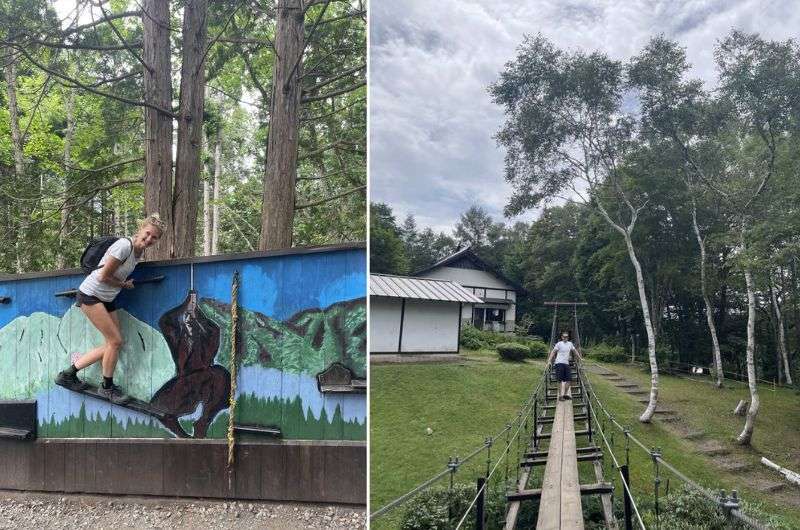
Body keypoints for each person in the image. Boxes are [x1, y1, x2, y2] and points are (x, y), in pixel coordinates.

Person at [55, 214, 166, 404]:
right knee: (115, 341)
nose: (149, 239)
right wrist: (125, 285)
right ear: (140, 229)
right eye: (147, 234)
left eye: (154, 238)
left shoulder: (139, 253)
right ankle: (106, 388)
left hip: (107, 298)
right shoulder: (124, 246)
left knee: (113, 344)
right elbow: (103, 276)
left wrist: (121, 285)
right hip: (91, 295)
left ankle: (68, 374)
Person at [546, 331, 582, 400]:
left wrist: (580, 358)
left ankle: (565, 394)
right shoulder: (559, 344)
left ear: (568, 337)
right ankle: (560, 396)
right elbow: (553, 352)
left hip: (566, 363)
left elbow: (575, 351)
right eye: (564, 336)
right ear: (562, 337)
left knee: (569, 379)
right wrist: (549, 361)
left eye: (567, 337)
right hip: (559, 363)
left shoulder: (570, 344)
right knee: (559, 380)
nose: (566, 338)